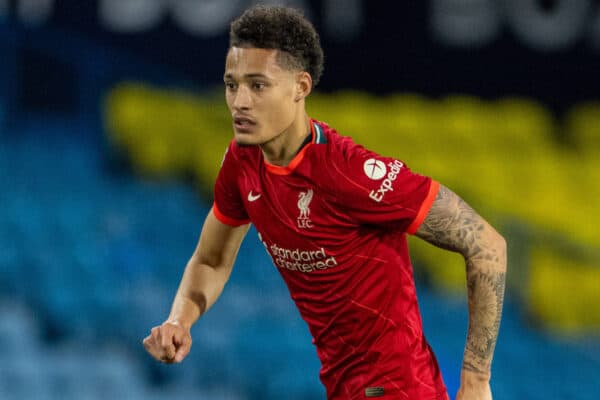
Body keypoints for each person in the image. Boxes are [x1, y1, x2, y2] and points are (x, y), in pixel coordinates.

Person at [143, 5, 507, 400]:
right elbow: (211, 260)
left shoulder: (348, 172)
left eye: (258, 85)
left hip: (398, 387)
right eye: (232, 84)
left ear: (300, 87)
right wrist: (181, 319)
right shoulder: (242, 162)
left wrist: (475, 382)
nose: (239, 101)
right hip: (341, 386)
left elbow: (486, 243)